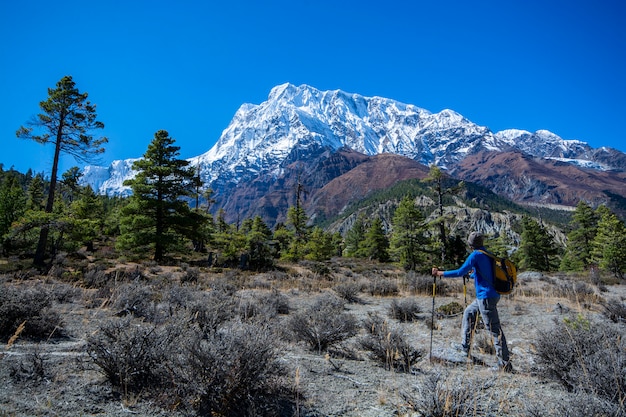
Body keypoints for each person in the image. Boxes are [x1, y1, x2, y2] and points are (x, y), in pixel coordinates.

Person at [431, 232, 513, 372]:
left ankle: (504, 364)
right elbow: (484, 273)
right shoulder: (487, 254)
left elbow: (460, 272)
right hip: (490, 295)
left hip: (485, 297)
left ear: (470, 244)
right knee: (469, 312)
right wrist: (472, 275)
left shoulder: (475, 255)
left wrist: (440, 273)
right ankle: (465, 346)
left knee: (494, 330)